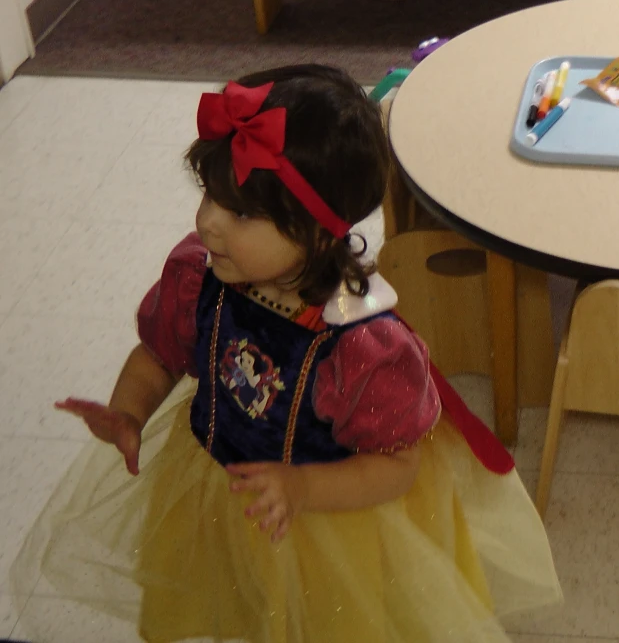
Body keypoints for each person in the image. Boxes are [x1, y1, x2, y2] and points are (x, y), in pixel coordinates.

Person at [11, 64, 561, 643]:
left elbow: (399, 467)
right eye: (209, 197)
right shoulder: (198, 278)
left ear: (319, 232)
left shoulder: (362, 348)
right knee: (233, 601)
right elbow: (159, 354)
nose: (208, 223)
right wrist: (128, 412)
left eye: (242, 213)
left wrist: (301, 490)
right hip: (216, 489)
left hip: (320, 520)